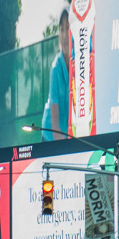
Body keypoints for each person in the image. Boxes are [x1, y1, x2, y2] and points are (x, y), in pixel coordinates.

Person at [40, 9, 70, 141]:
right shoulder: (55, 68)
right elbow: (54, 125)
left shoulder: (80, 64)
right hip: (50, 137)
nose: (64, 35)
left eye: (67, 28)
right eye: (61, 29)